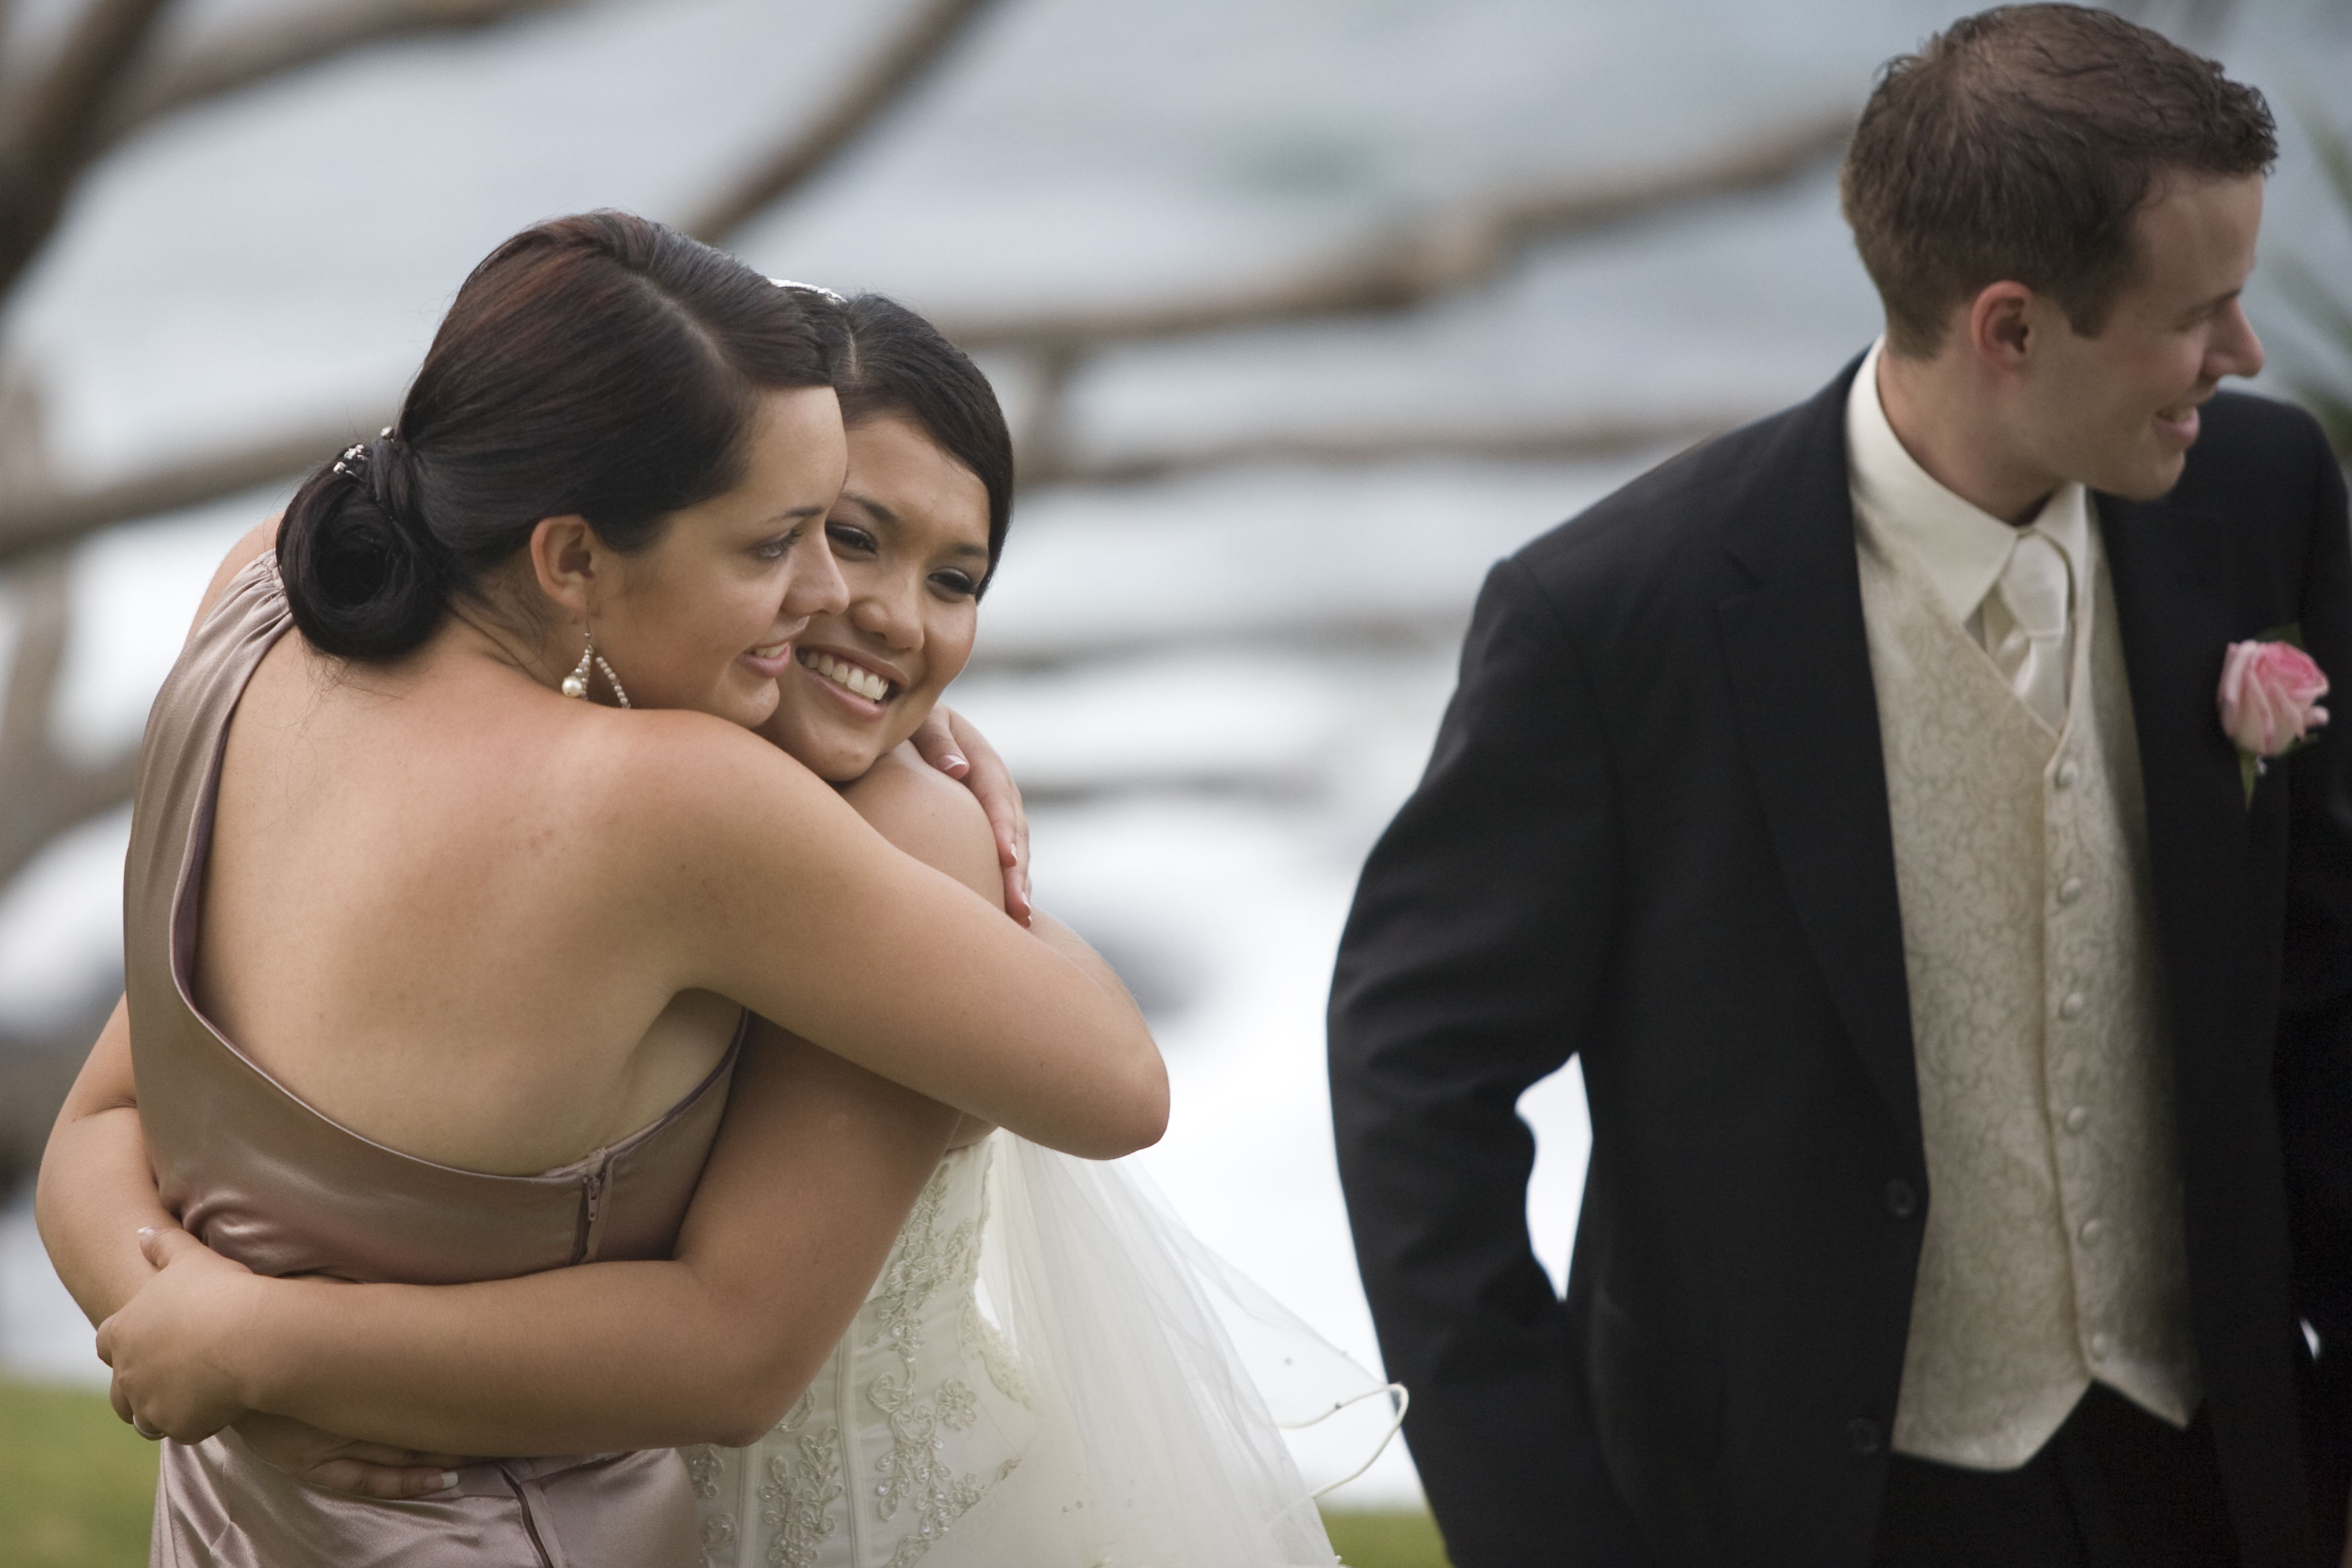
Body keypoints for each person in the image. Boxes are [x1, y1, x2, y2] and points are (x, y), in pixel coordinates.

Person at [54, 283, 1361, 1568]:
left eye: (956, 577)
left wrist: (240, 1346)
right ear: (599, 546)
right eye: (813, 537)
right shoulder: (652, 793)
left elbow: (1113, 1093)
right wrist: (224, 1347)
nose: (865, 605)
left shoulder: (849, 829)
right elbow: (133, 1102)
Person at [1327, 8, 2352, 1566]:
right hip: (1809, 1512)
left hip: (2212, 1483)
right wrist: (1545, 1533)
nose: (2244, 352)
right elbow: (1413, 1086)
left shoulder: (2265, 495)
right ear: (2008, 327)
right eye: (2195, 313)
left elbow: (2323, 990)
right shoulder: (1612, 618)